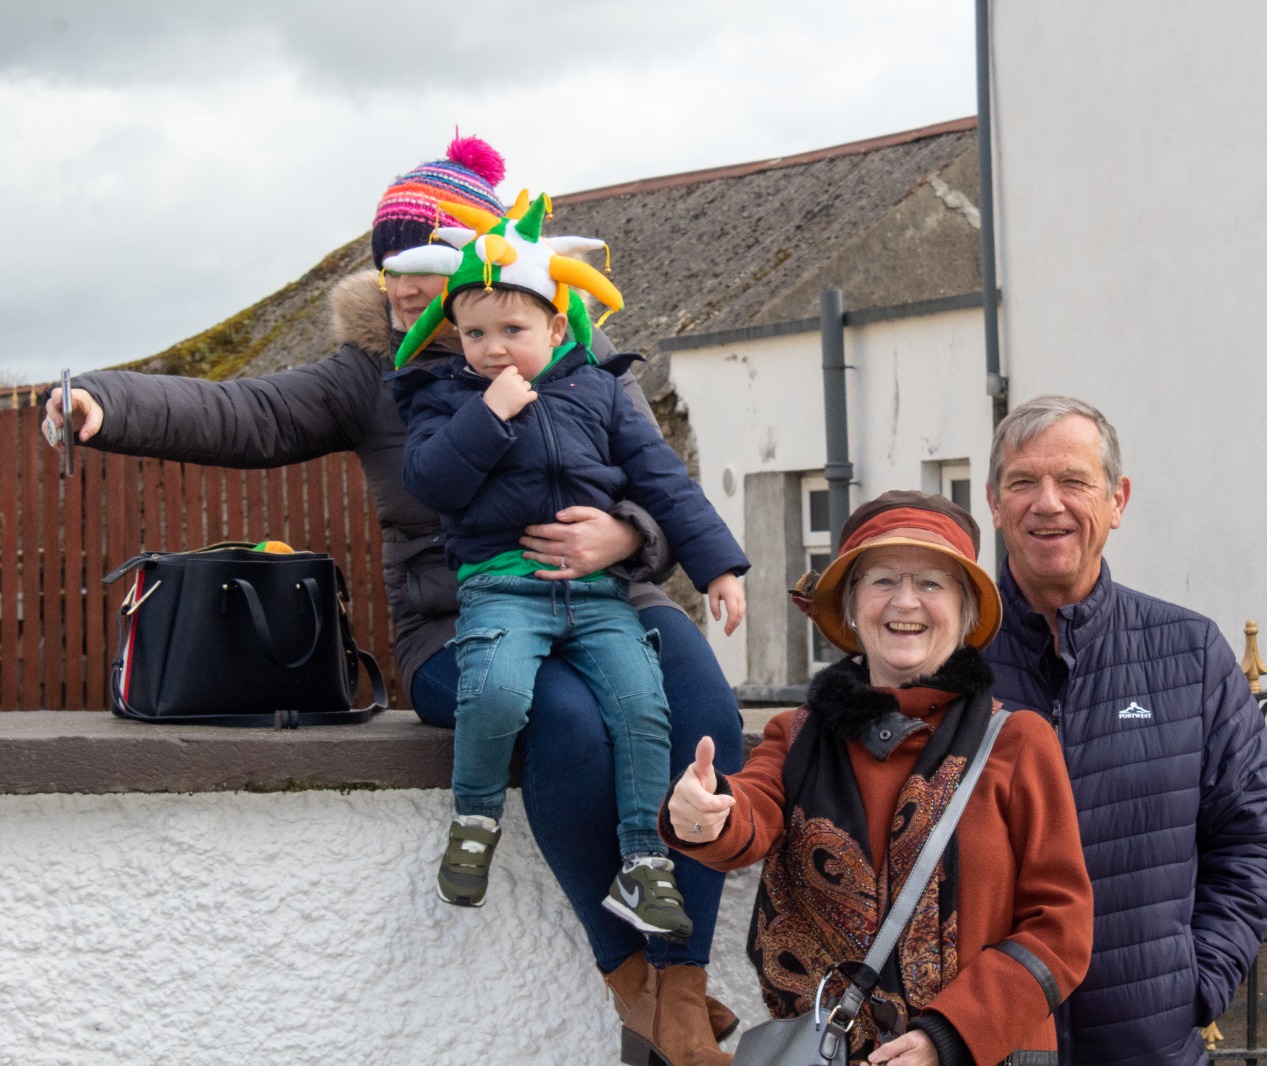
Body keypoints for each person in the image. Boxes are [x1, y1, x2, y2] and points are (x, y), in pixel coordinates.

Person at [40, 135, 744, 1066]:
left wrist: (628, 539)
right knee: (564, 722)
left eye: (425, 259)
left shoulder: (572, 345)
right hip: (465, 624)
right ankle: (635, 988)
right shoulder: (375, 371)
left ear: (490, 267)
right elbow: (246, 416)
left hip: (612, 598)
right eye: (388, 262)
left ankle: (684, 980)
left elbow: (656, 479)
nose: (400, 283)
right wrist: (103, 400)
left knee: (705, 715)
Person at [385, 192, 748, 936]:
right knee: (498, 693)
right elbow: (432, 483)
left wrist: (718, 568)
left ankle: (645, 865)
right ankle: (476, 822)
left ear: (556, 326)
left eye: (513, 331)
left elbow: (662, 480)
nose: (493, 349)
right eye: (475, 333)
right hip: (503, 590)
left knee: (643, 706)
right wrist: (488, 417)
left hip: (602, 596)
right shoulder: (442, 397)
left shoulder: (599, 390)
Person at [667, 491, 1094, 1066]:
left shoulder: (1019, 742)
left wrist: (948, 1036)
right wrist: (705, 810)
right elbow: (749, 811)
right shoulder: (797, 736)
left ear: (967, 612)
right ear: (849, 606)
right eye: (883, 580)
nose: (906, 601)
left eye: (933, 583)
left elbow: (1061, 927)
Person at [980, 395, 1267, 1065]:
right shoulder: (953, 663)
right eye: (1024, 482)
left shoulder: (1189, 652)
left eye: (1073, 481)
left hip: (1149, 1045)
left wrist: (1197, 982)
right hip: (989, 1042)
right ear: (994, 502)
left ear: (1116, 501)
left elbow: (1253, 835)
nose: (1047, 503)